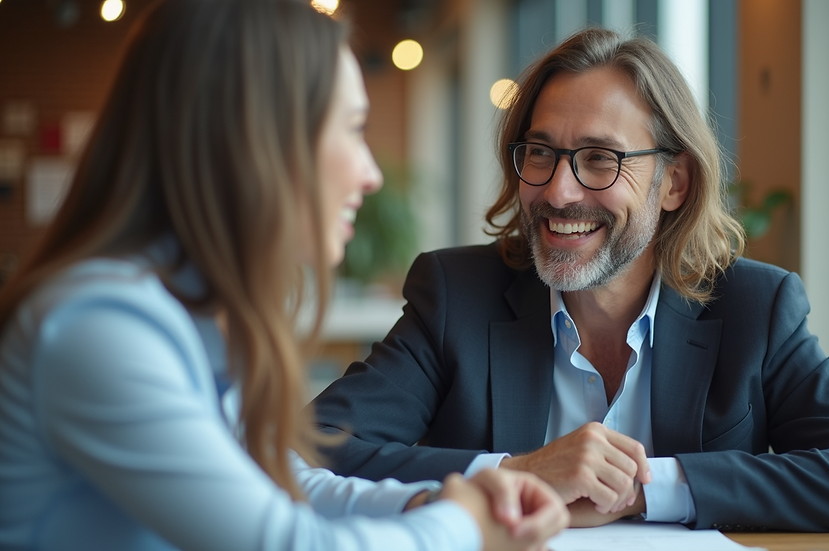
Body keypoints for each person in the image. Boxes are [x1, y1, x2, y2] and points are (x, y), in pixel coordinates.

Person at [0, 1, 569, 550]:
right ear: (254, 142)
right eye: (352, 129)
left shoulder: (191, 314)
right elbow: (285, 542)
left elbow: (280, 485)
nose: (371, 174)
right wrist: (465, 526)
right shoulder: (99, 326)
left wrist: (434, 505)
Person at [312, 27, 829, 533]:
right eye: (541, 152)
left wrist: (645, 487)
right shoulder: (457, 294)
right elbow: (312, 448)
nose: (558, 190)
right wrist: (522, 472)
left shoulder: (753, 307)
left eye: (601, 159)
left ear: (675, 183)